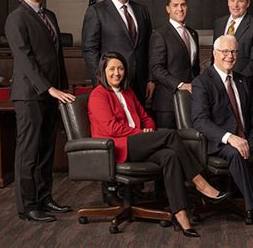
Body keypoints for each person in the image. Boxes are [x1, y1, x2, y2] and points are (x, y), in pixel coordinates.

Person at [88, 52, 230, 237]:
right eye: (112, 69)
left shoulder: (128, 92)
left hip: (137, 142)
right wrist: (142, 133)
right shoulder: (97, 95)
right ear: (103, 72)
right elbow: (111, 128)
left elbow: (146, 118)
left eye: (121, 68)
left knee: (169, 156)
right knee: (170, 135)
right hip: (118, 146)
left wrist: (147, 130)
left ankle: (181, 215)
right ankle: (200, 182)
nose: (117, 73)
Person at [191, 35, 253, 235]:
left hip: (247, 135)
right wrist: (229, 137)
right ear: (215, 54)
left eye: (234, 52)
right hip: (220, 141)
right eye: (225, 52)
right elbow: (200, 120)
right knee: (236, 153)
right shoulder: (202, 81)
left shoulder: (242, 79)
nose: (230, 56)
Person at [5, 0, 76, 222]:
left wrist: (61, 89)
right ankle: (28, 206)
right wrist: (48, 88)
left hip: (51, 93)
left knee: (46, 149)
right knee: (29, 151)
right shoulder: (16, 18)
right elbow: (25, 60)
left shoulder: (50, 16)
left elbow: (57, 58)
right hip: (29, 95)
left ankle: (45, 198)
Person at [82, 0, 154, 105]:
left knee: (138, 123)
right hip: (112, 82)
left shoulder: (142, 10)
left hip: (140, 83)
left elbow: (149, 48)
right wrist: (102, 78)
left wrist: (150, 79)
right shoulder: (96, 11)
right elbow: (89, 50)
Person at [149, 0, 200, 129]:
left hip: (191, 99)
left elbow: (194, 68)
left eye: (183, 5)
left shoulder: (193, 33)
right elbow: (156, 68)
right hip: (167, 103)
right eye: (175, 5)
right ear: (168, 8)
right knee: (169, 145)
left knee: (190, 142)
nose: (180, 9)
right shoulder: (160, 34)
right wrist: (180, 85)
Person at [212, 0, 253, 105]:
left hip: (243, 88)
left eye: (240, 1)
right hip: (218, 87)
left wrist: (236, 82)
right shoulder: (218, 23)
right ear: (228, 1)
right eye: (232, 0)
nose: (235, 5)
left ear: (247, 3)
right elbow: (215, 56)